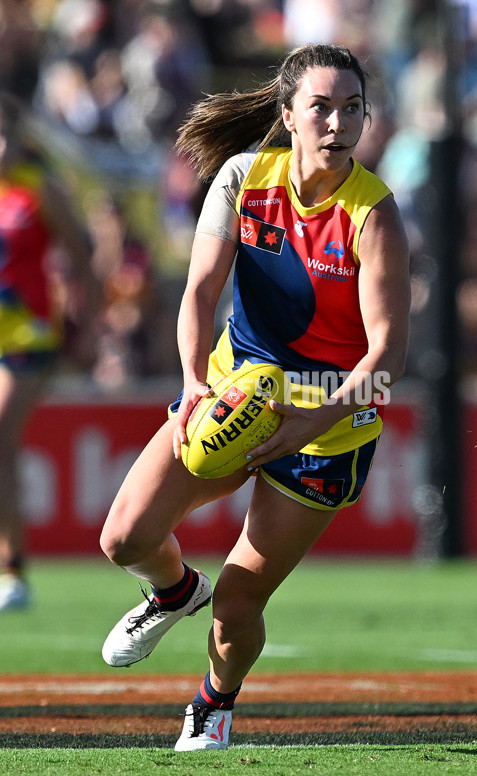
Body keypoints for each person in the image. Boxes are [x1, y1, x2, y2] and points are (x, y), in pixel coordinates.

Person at [99, 43, 411, 751]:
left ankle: (213, 703)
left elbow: (387, 362)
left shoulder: (375, 214)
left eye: (353, 108)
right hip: (232, 393)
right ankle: (175, 591)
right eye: (321, 107)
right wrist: (193, 382)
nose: (338, 123)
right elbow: (198, 291)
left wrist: (309, 423)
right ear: (288, 114)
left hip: (327, 430)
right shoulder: (242, 177)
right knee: (124, 538)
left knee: (238, 602)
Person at [0, 93, 94, 612]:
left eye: (5, 135)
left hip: (28, 337)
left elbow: (81, 259)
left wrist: (88, 326)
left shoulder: (39, 189)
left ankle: (13, 570)